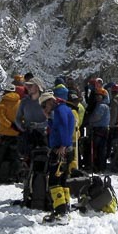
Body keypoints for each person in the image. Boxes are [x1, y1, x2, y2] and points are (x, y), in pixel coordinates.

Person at [40, 91, 76, 225]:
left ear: (50, 101)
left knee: (54, 181)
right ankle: (64, 209)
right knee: (63, 180)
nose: (44, 109)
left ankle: (60, 212)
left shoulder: (60, 111)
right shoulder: (63, 109)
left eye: (44, 106)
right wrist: (49, 118)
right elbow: (57, 128)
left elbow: (64, 128)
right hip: (65, 149)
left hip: (61, 150)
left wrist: (63, 145)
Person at [88, 88, 110, 172]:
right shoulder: (105, 106)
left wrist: (89, 120)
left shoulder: (101, 106)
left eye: (99, 96)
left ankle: (96, 166)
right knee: (101, 149)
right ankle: (101, 166)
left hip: (99, 129)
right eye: (96, 96)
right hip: (103, 129)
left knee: (96, 148)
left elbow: (96, 117)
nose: (97, 97)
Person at [107, 84, 118, 170]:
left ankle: (114, 162)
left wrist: (110, 125)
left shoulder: (114, 101)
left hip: (115, 126)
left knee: (113, 144)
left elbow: (113, 114)